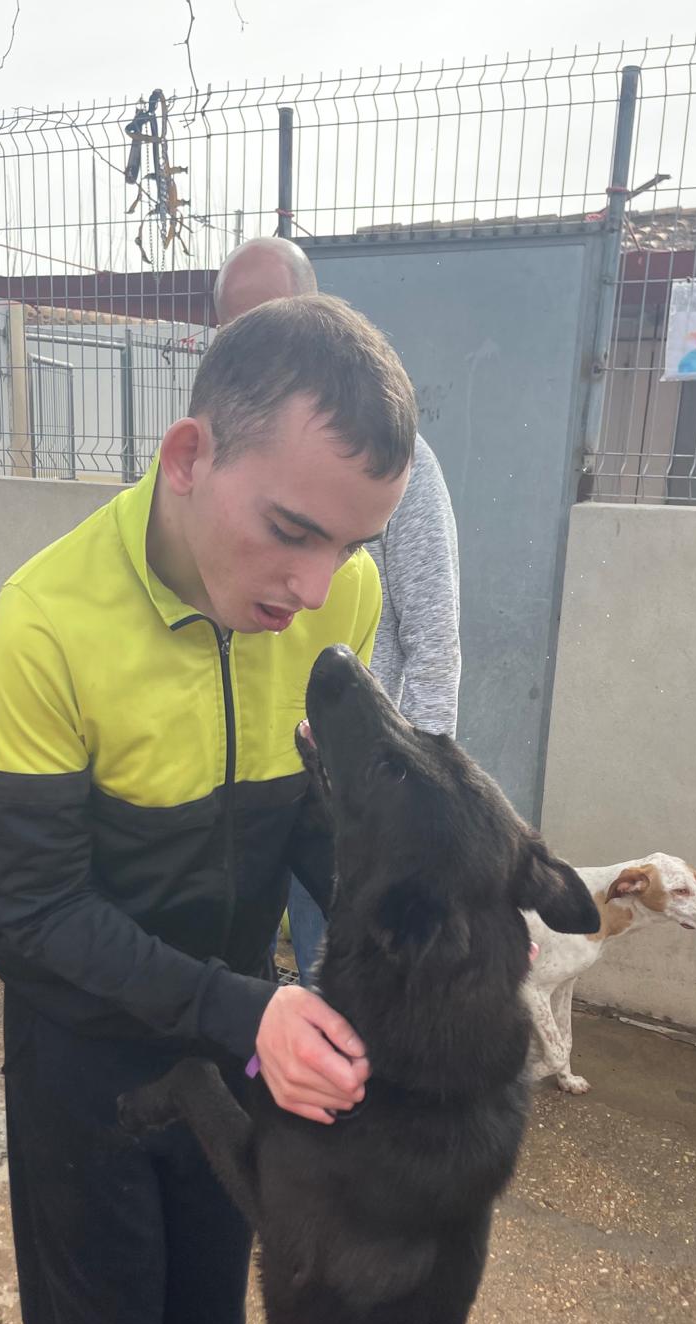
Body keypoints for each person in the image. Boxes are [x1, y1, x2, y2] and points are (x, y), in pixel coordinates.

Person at [0, 295, 416, 1324]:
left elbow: (320, 832)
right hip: (88, 1058)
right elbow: (35, 924)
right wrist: (249, 1011)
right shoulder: (45, 624)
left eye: (350, 546)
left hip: (234, 1046)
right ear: (186, 457)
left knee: (209, 1309)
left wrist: (379, 976)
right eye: (290, 531)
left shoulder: (340, 599)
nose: (313, 588)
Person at [213, 237, 461, 983]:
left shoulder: (393, 462)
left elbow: (435, 644)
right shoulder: (224, 465)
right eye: (233, 331)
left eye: (270, 320)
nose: (253, 348)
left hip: (353, 802)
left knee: (359, 981)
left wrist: (414, 807)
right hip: (253, 789)